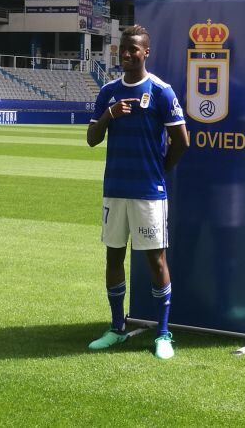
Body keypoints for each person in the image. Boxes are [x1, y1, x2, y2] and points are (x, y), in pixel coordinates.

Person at [86, 24, 189, 360]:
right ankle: (117, 328)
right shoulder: (109, 91)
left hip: (148, 191)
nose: (128, 54)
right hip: (115, 189)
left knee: (155, 260)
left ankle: (162, 333)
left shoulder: (161, 91)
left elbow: (182, 141)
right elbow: (91, 139)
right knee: (113, 256)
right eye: (123, 49)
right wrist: (108, 115)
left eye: (135, 49)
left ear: (147, 52)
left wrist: (160, 171)